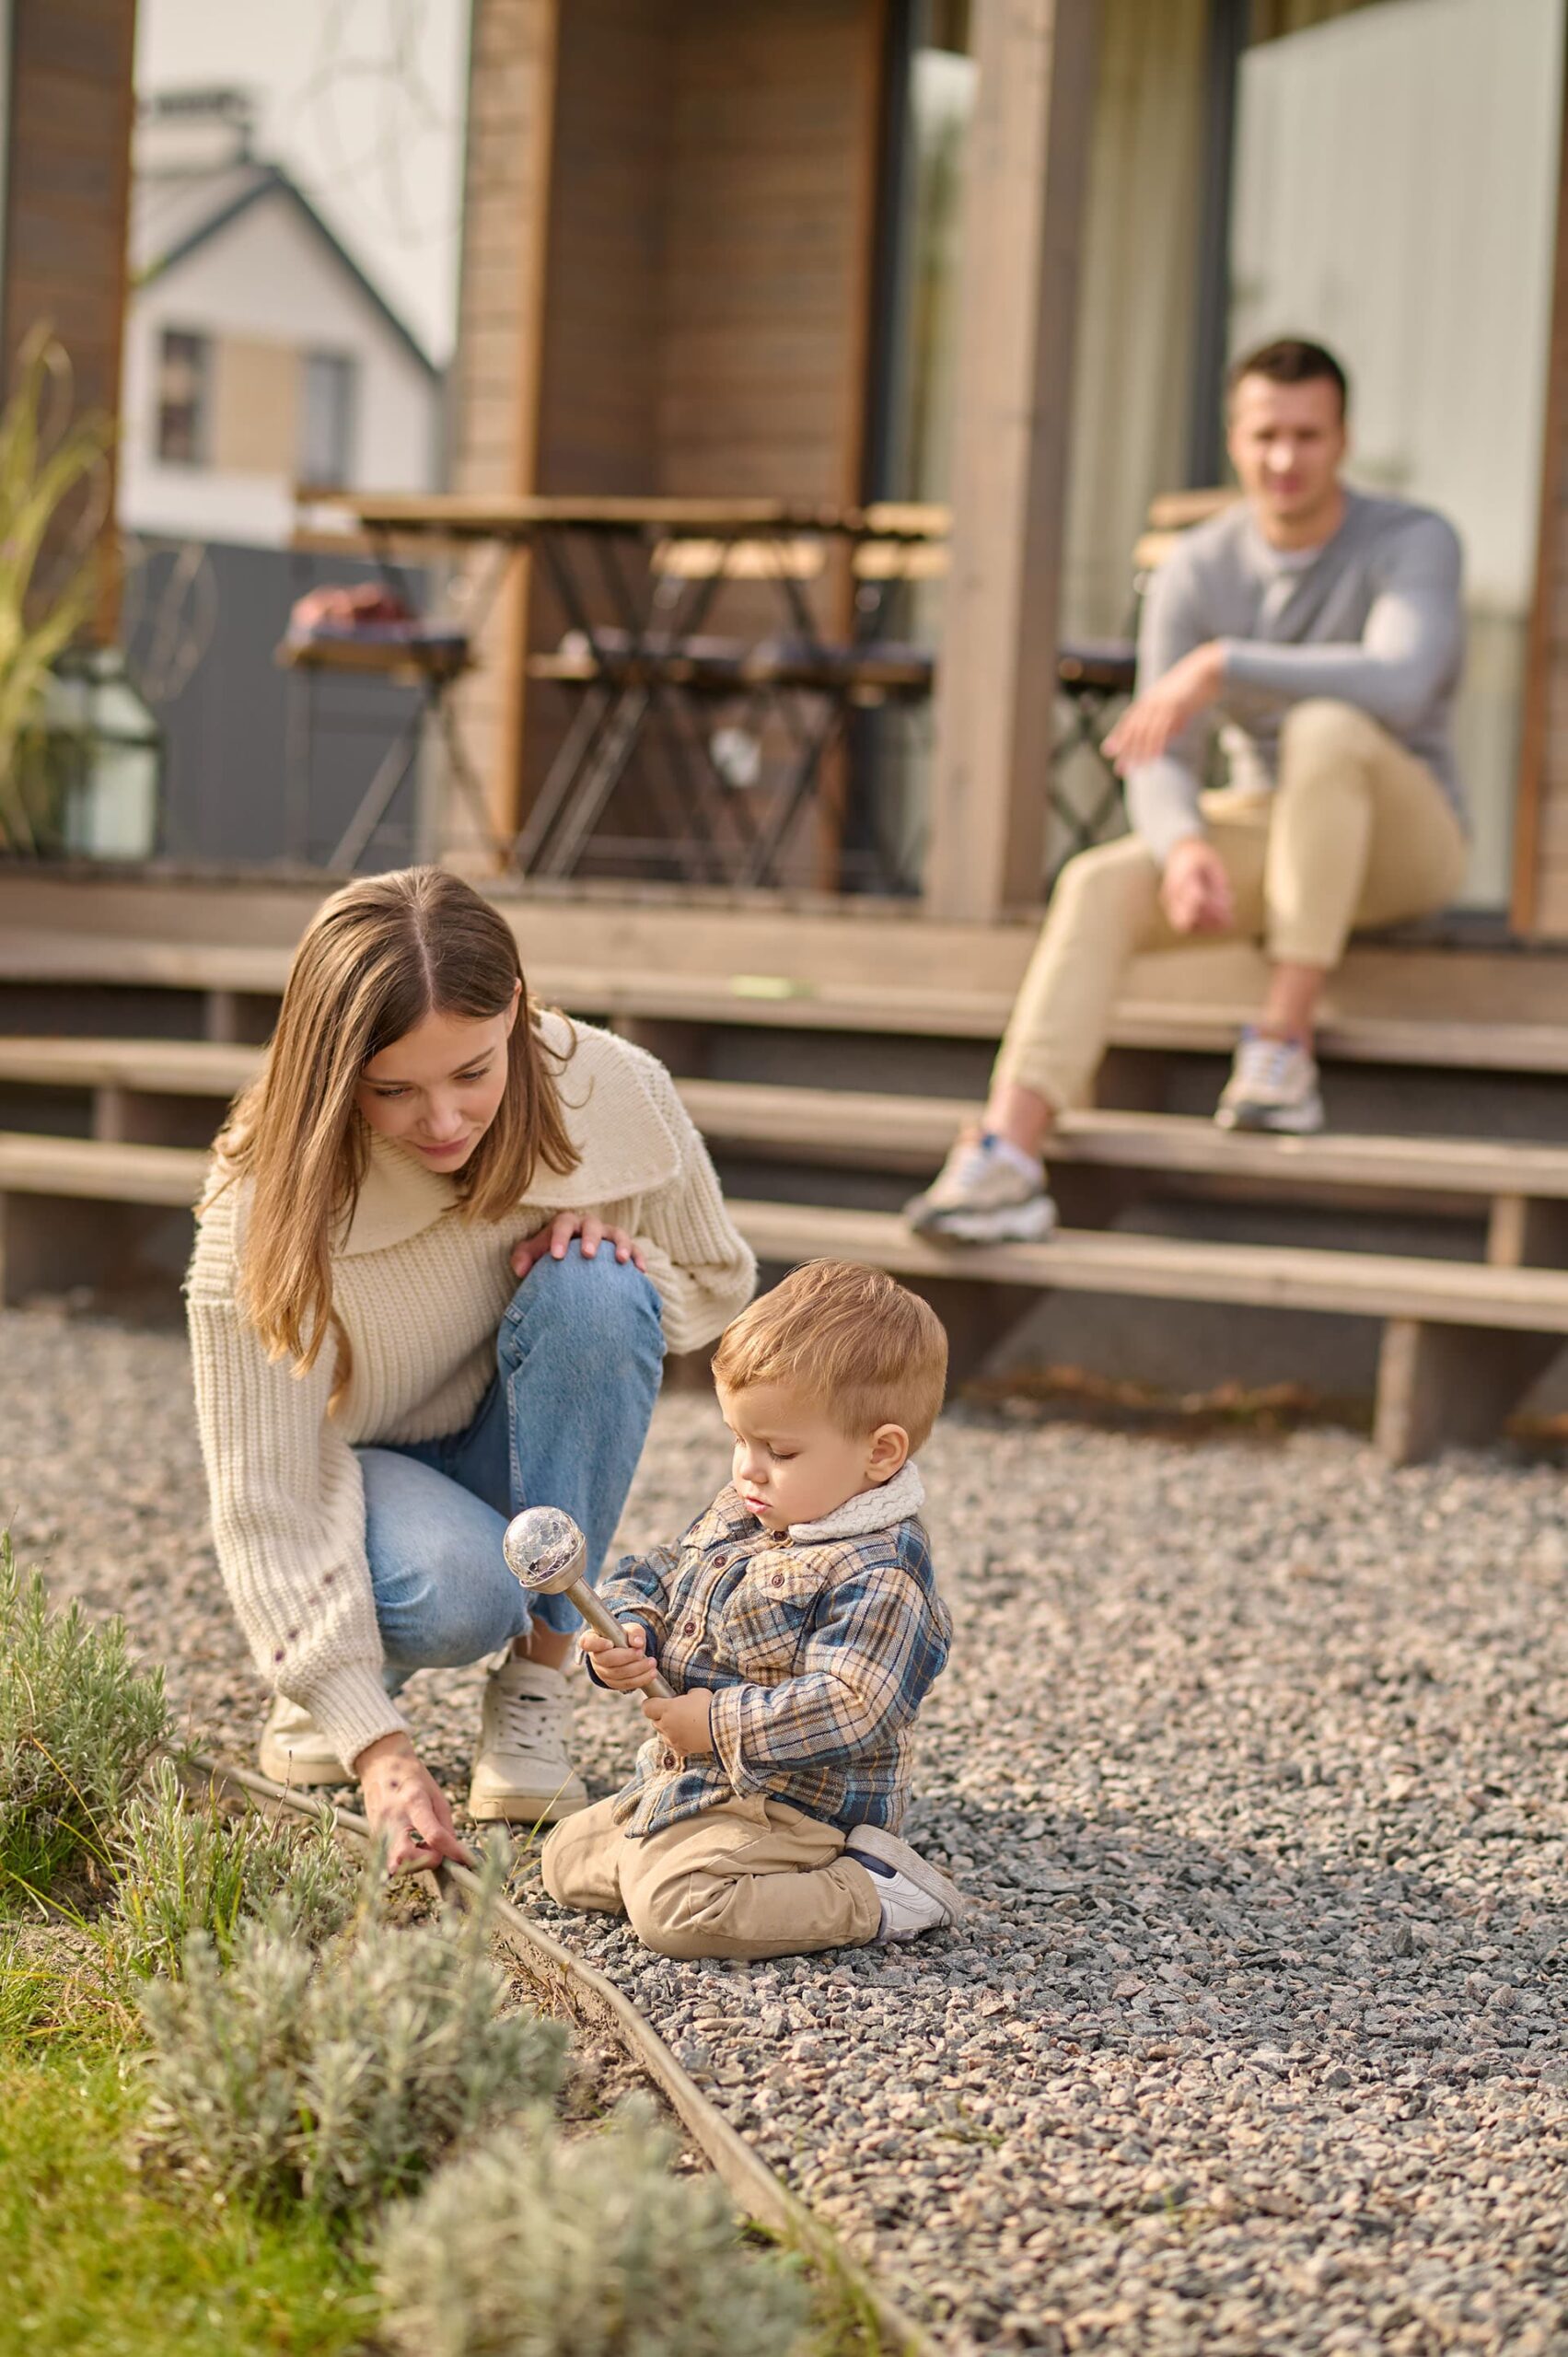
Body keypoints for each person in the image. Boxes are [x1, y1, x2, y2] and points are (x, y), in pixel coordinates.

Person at [186, 865, 755, 1873]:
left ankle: (534, 1688)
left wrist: (620, 1251)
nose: (443, 1120)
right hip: (359, 1477)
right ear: (332, 1069)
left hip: (515, 1440)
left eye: (474, 1073)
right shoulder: (262, 1193)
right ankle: (326, 1678)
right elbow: (262, 1497)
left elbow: (716, 1282)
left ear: (517, 1018)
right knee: (459, 1593)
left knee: (596, 1291)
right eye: (393, 1089)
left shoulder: (609, 1085)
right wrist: (380, 1751)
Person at [906, 336, 1469, 1245]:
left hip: (1406, 841)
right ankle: (1007, 1155)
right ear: (1232, 437)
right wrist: (1182, 846)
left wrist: (1219, 664)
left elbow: (1402, 681)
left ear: (1342, 439)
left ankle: (1280, 1049)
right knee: (1095, 881)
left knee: (1325, 730)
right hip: (1271, 829)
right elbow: (1158, 750)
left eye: (1305, 436)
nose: (1282, 458)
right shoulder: (1196, 568)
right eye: (1263, 435)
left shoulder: (1411, 541)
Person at [539, 1260, 963, 1960]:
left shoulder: (879, 1571)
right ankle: (684, 1856)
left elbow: (852, 1704)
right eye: (739, 1440)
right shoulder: (749, 1510)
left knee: (675, 1914)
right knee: (564, 1861)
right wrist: (632, 1628)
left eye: (779, 1449)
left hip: (797, 1807)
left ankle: (874, 1892)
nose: (748, 1468)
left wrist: (716, 1721)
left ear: (880, 1453)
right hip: (697, 1781)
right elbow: (659, 1571)